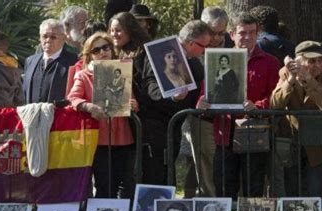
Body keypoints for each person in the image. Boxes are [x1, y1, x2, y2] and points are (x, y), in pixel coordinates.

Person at [199, 12, 280, 200]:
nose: (248, 37)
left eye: (252, 32)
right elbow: (206, 91)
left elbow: (276, 97)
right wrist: (202, 102)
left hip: (254, 131)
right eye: (243, 33)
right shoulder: (216, 59)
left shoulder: (270, 62)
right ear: (232, 34)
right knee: (224, 187)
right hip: (224, 132)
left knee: (253, 188)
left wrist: (257, 106)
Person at [139, 20, 210, 185]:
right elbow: (150, 87)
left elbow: (198, 89)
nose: (204, 51)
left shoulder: (193, 62)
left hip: (175, 126)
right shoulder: (160, 53)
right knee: (155, 175)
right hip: (156, 127)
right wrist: (173, 97)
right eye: (203, 46)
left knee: (168, 173)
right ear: (191, 43)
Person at [67, 32, 136, 199]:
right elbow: (72, 98)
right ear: (89, 56)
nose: (102, 52)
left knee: (126, 184)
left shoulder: (122, 70)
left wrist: (134, 104)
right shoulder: (84, 75)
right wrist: (89, 106)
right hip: (99, 138)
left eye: (105, 47)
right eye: (96, 50)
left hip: (124, 137)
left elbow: (132, 99)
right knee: (104, 185)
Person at [271, 41, 322, 197]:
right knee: (293, 188)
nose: (317, 65)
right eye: (311, 61)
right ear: (298, 61)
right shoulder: (285, 72)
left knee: (316, 189)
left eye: (321, 60)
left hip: (318, 141)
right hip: (292, 139)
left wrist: (308, 79)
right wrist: (292, 79)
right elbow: (275, 104)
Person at [183, 7, 231, 198]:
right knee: (198, 163)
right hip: (200, 118)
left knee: (217, 165)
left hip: (225, 118)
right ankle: (199, 203)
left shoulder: (232, 49)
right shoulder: (192, 50)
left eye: (221, 33)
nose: (217, 38)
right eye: (212, 32)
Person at [23, 19, 78, 104]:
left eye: (53, 37)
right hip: (32, 115)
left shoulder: (74, 62)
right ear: (40, 38)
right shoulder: (30, 61)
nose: (48, 40)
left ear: (63, 38)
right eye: (45, 36)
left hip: (60, 115)